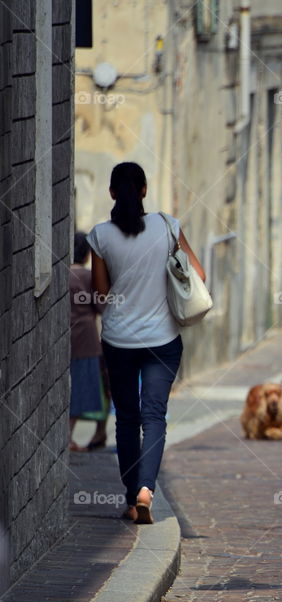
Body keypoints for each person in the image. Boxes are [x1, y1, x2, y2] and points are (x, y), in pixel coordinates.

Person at [87, 162, 206, 524]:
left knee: (126, 418)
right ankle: (145, 491)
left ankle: (129, 497)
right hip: (163, 340)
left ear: (111, 193)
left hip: (119, 340)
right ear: (144, 191)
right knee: (154, 415)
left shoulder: (100, 236)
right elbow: (197, 274)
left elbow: (101, 294)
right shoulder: (168, 226)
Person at [68, 231, 109, 452]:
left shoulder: (62, 274)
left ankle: (93, 434)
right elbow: (102, 307)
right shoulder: (88, 276)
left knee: (73, 384)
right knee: (84, 386)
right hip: (87, 339)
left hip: (67, 337)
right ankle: (69, 435)